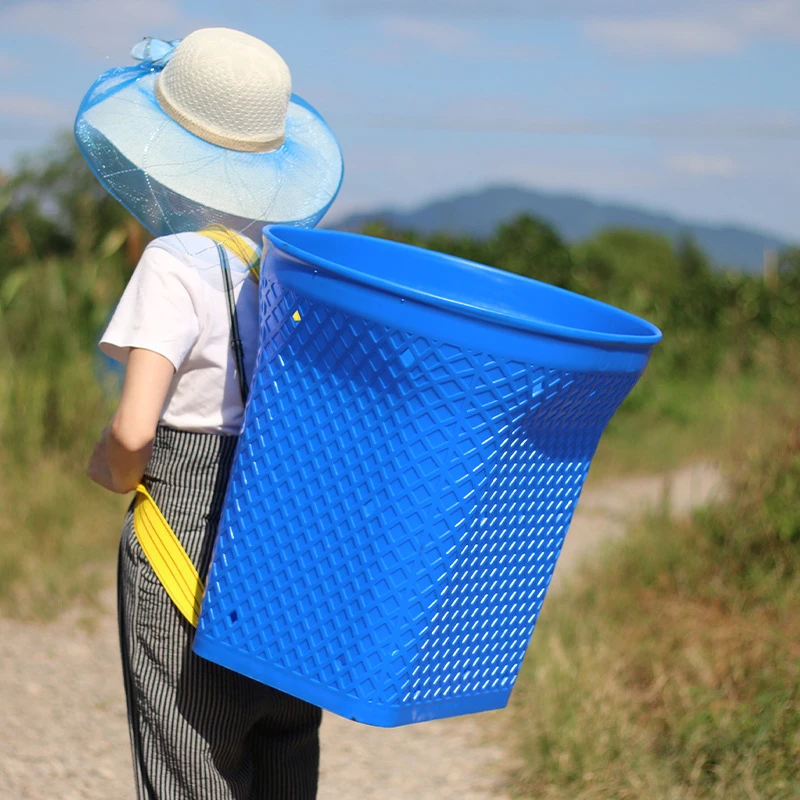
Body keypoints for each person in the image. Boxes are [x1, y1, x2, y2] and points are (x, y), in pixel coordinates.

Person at [77, 27, 344, 799]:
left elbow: (134, 429)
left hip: (181, 543)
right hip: (285, 551)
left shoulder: (176, 263)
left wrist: (112, 469)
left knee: (189, 760)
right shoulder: (296, 266)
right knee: (284, 749)